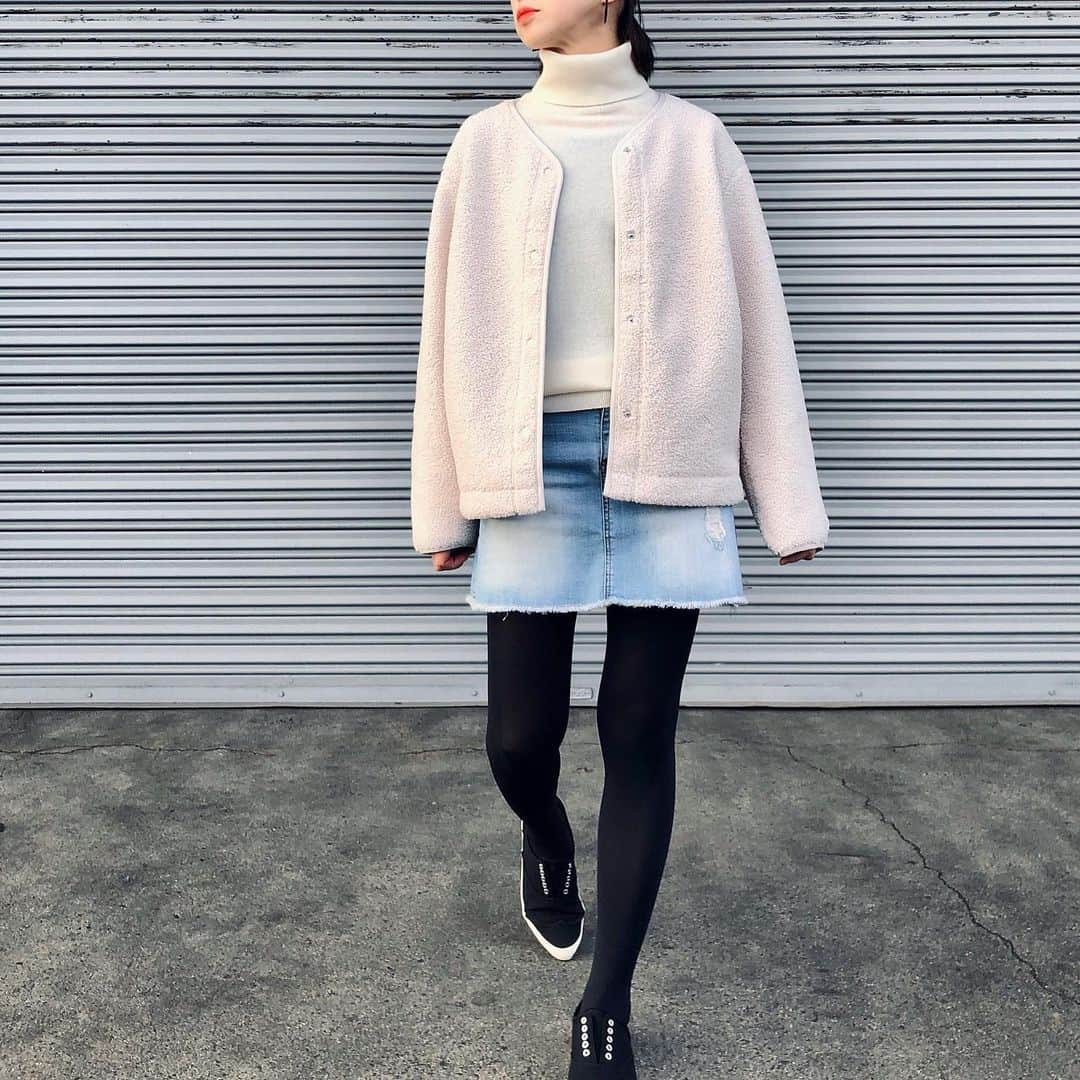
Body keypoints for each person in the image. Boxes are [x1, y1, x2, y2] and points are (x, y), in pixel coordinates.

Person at [409, 2, 830, 1075]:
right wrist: (445, 502)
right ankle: (547, 838)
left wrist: (786, 499)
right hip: (529, 462)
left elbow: (758, 314)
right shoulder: (485, 143)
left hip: (669, 459)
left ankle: (606, 1006)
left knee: (640, 731)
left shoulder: (695, 140)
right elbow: (444, 329)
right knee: (518, 740)